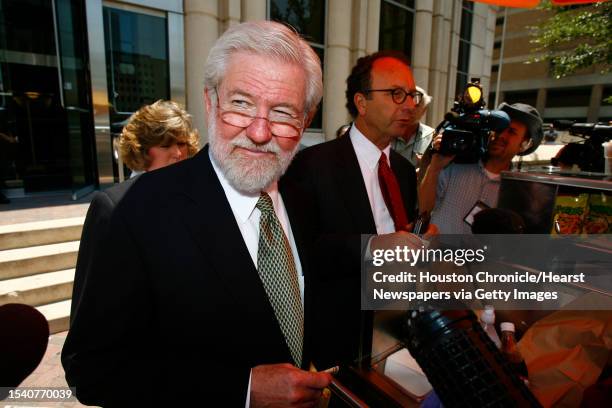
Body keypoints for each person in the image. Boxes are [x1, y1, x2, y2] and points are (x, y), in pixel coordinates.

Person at [62, 21, 332, 406]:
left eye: (283, 112)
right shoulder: (136, 211)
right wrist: (242, 389)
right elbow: (91, 370)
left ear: (305, 121)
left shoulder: (305, 197)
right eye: (240, 103)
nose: (258, 132)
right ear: (210, 102)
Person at [286, 50, 433, 368]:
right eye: (396, 94)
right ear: (361, 102)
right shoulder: (313, 165)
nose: (409, 105)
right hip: (339, 339)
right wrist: (372, 246)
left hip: (396, 330)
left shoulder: (406, 172)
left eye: (411, 95)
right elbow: (303, 254)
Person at [67, 100, 198, 317]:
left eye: (182, 143)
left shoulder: (193, 196)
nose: (178, 153)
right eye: (166, 145)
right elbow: (90, 298)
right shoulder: (112, 205)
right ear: (143, 149)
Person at [419, 102, 543, 234]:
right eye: (499, 128)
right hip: (438, 252)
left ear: (524, 144)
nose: (501, 135)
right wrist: (434, 168)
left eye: (511, 132)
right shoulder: (454, 163)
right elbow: (423, 210)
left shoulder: (516, 190)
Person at [391, 85, 434, 169]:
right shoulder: (384, 133)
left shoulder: (432, 137)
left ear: (424, 110)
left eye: (416, 106)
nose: (410, 109)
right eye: (405, 105)